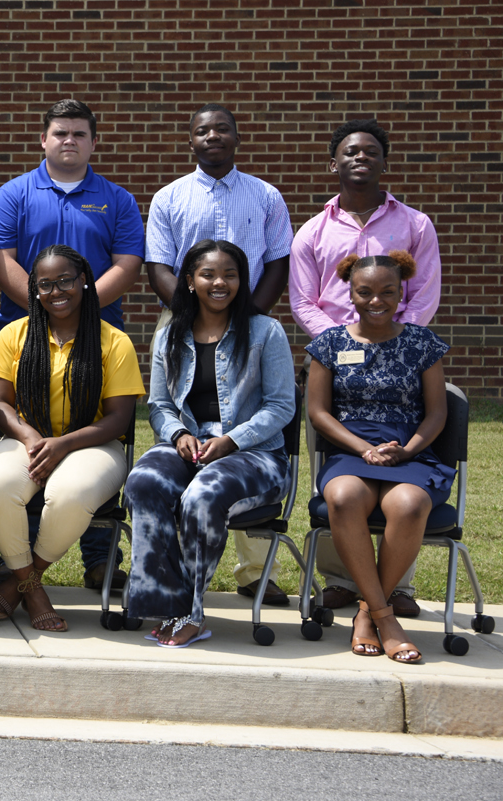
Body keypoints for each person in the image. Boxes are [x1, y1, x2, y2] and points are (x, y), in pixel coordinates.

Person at [0, 99, 144, 591]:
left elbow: (128, 262)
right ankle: (21, 559)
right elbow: (3, 260)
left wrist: (79, 306)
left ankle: (99, 561)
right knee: (27, 447)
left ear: (94, 142)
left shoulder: (116, 200)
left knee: (90, 450)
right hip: (25, 336)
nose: (69, 140)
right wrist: (45, 305)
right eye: (60, 132)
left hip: (94, 339)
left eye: (79, 133)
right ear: (44, 140)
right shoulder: (14, 194)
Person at [143, 103, 296, 606]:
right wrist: (191, 313)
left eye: (222, 128)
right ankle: (158, 597)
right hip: (185, 320)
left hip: (248, 323)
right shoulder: (170, 197)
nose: (213, 136)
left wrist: (246, 318)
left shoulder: (266, 195)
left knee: (218, 479)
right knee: (152, 476)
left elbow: (277, 261)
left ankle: (248, 574)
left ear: (236, 136)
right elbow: (160, 266)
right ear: (190, 139)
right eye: (203, 130)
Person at [289, 119, 441, 619]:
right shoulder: (314, 230)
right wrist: (337, 345)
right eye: (350, 152)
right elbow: (304, 299)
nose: (360, 158)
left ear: (383, 161)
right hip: (336, 359)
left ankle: (394, 588)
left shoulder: (416, 225)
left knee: (404, 489)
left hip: (400, 356)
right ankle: (340, 580)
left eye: (371, 151)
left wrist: (396, 343)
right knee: (339, 478)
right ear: (334, 163)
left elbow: (422, 295)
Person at [125, 240, 296, 647]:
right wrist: (179, 435)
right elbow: (160, 405)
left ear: (243, 281)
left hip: (255, 455)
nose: (220, 283)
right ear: (189, 281)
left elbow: (281, 405)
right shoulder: (170, 334)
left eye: (230, 275)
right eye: (208, 274)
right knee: (144, 481)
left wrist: (232, 440)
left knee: (202, 495)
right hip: (188, 442)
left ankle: (192, 612)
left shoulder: (265, 331)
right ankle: (166, 603)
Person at [0, 245, 143, 632]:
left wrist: (64, 444)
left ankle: (21, 584)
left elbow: (120, 419)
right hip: (27, 439)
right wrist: (29, 435)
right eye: (45, 285)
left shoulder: (113, 341)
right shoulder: (14, 334)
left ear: (84, 280)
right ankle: (34, 590)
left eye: (66, 280)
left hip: (95, 444)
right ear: (35, 291)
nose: (57, 291)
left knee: (70, 493)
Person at [306, 251, 450, 664]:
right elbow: (318, 412)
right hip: (351, 449)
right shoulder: (329, 343)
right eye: (365, 291)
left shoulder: (423, 343)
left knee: (409, 504)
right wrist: (362, 448)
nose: (376, 300)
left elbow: (438, 412)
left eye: (387, 291)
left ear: (401, 290)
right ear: (349, 292)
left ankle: (369, 613)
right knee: (345, 498)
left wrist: (409, 449)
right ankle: (388, 619)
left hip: (409, 450)